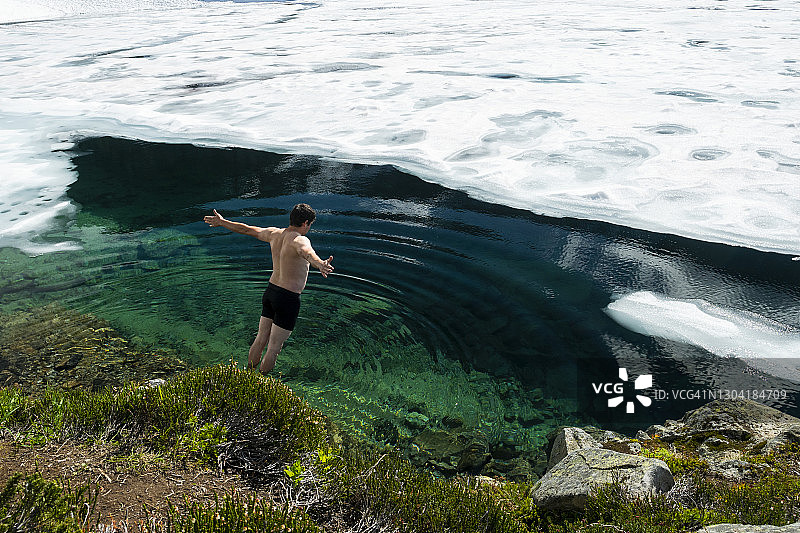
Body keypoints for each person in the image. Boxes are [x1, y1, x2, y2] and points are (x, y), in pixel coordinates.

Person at [203, 203, 333, 374]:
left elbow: (247, 229)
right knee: (274, 348)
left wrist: (222, 222)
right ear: (305, 223)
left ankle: (247, 375)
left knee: (261, 338)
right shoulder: (300, 239)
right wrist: (320, 264)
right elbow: (307, 253)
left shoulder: (274, 234)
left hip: (271, 292)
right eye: (310, 225)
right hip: (287, 298)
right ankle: (259, 383)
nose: (309, 228)